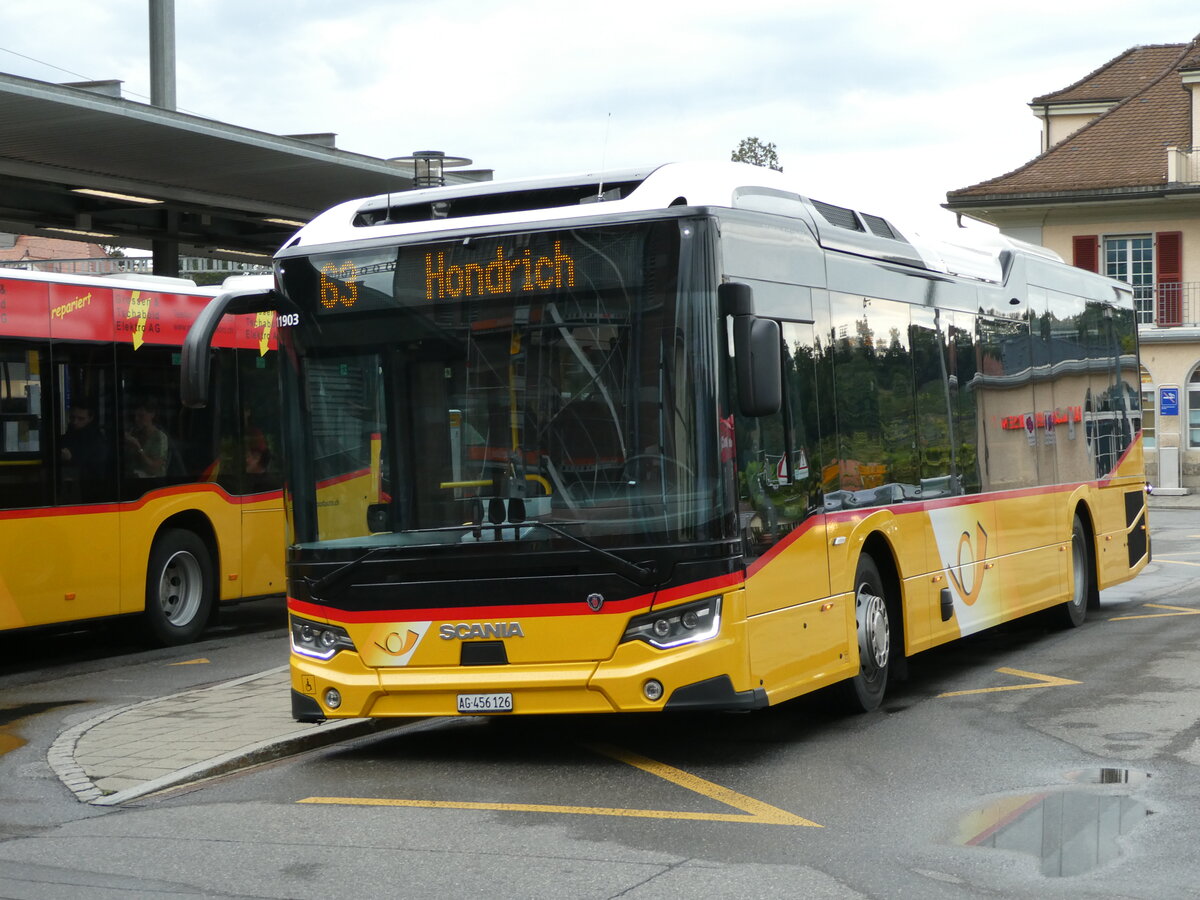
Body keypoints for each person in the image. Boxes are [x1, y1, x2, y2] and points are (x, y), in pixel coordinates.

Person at [59, 403, 112, 496]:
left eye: (81, 419)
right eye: (72, 417)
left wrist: (71, 458)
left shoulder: (96, 439)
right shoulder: (69, 434)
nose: (75, 422)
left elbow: (96, 467)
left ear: (90, 419)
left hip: (90, 488)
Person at [124, 400, 168, 477]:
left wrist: (139, 449)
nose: (137, 419)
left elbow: (154, 468)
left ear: (152, 414)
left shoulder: (160, 438)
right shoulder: (134, 432)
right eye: (136, 416)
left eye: (141, 416)